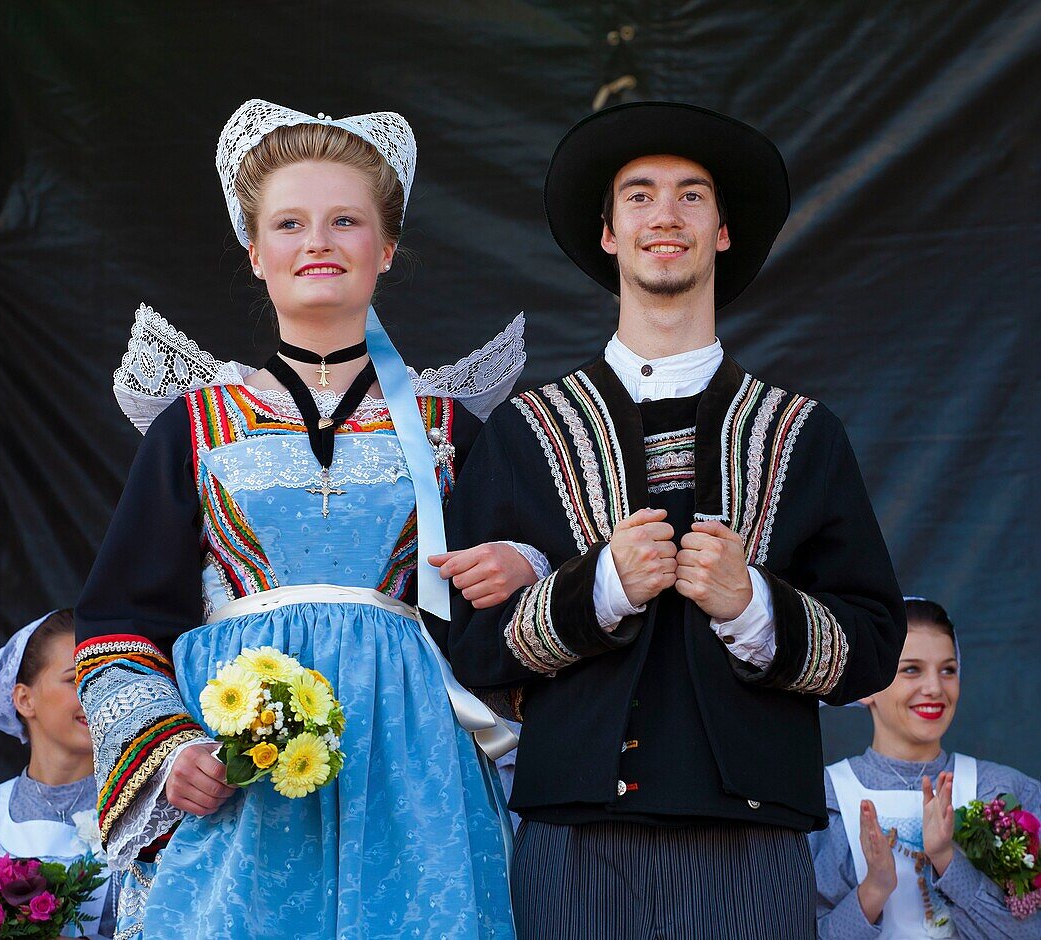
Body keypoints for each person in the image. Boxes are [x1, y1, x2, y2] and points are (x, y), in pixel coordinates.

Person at [440, 101, 907, 939]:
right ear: (611, 234)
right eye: (640, 195)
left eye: (692, 196)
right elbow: (468, 648)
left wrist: (754, 605)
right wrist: (599, 588)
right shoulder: (526, 429)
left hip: (753, 836)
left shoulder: (802, 432)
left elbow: (872, 647)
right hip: (574, 831)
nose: (666, 215)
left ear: (724, 232)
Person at [74, 99, 521, 939]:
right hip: (239, 779)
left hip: (411, 777)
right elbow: (117, 630)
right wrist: (174, 753)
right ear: (255, 253)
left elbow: (511, 617)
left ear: (385, 249)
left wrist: (525, 563)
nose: (317, 241)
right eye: (290, 222)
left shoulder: (447, 427)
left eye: (345, 219)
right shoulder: (195, 424)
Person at [812, 597, 1041, 938]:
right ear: (867, 686)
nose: (935, 688)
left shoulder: (1002, 791)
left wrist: (947, 859)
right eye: (911, 669)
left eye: (948, 669)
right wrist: (875, 888)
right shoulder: (822, 801)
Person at [0, 609, 116, 939]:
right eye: (75, 679)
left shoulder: (142, 816)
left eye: (105, 678)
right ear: (24, 698)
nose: (95, 693)